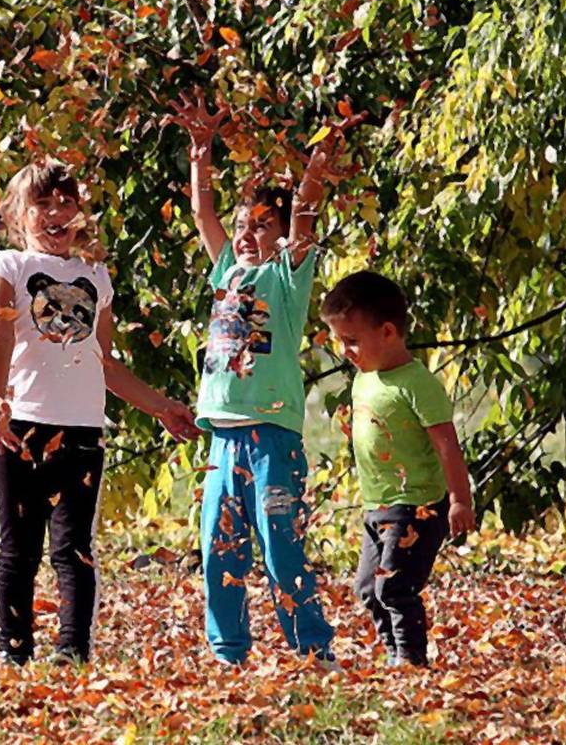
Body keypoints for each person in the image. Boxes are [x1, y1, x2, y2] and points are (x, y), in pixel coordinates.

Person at [0, 159, 201, 665]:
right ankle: (13, 651)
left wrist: (161, 406)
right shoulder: (7, 268)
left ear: (80, 211)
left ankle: (73, 650)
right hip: (21, 426)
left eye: (66, 203)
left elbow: (104, 361)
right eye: (43, 204)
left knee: (73, 546)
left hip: (81, 429)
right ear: (20, 212)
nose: (56, 214)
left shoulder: (94, 276)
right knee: (19, 546)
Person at [170, 89, 340, 665]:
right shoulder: (227, 270)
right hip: (222, 440)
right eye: (245, 223)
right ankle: (228, 652)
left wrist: (314, 171)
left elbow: (305, 220)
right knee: (219, 550)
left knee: (281, 550)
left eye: (263, 225)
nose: (248, 233)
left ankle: (312, 651)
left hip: (271, 437)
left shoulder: (287, 280)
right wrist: (201, 154)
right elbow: (203, 214)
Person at [321, 269, 476, 667]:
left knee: (395, 586)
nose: (345, 351)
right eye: (340, 341)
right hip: (377, 506)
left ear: (388, 332)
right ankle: (395, 655)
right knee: (368, 589)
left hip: (417, 505)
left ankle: (410, 660)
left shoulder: (417, 383)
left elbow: (447, 446)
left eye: (352, 341)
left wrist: (459, 500)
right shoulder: (363, 379)